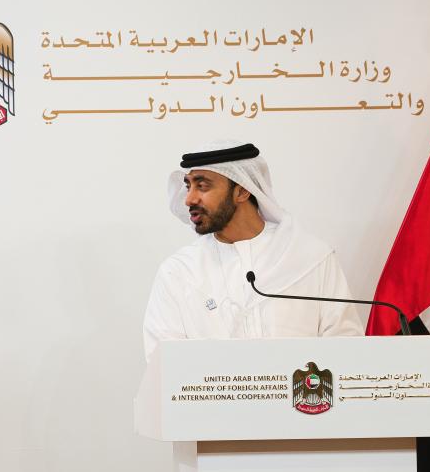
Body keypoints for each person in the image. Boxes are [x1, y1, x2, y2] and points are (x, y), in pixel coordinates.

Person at [143, 140, 362, 361]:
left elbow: (346, 346)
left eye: (203, 185)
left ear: (242, 190)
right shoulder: (179, 272)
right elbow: (163, 364)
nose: (189, 198)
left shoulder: (310, 258)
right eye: (189, 186)